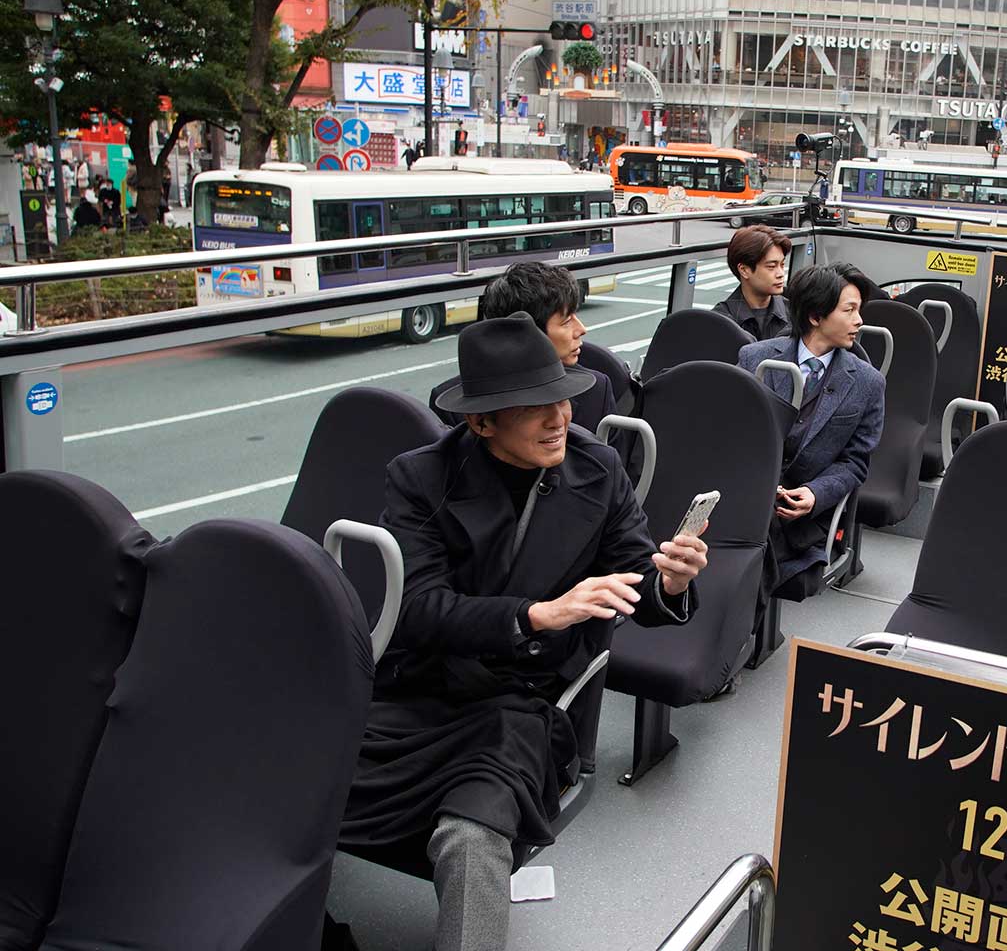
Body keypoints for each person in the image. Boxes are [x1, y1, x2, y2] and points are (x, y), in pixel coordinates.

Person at [340, 314, 706, 951]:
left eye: (562, 396)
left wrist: (670, 583)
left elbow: (633, 582)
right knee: (288, 767)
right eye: (534, 406)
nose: (559, 417)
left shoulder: (598, 470)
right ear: (480, 422)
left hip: (518, 704)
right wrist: (538, 613)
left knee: (471, 836)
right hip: (417, 691)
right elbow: (420, 608)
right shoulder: (420, 477)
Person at [738, 262, 885, 598]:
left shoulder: (867, 383)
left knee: (751, 547)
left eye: (858, 310)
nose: (859, 321)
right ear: (816, 317)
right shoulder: (753, 359)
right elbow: (732, 436)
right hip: (749, 492)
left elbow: (855, 462)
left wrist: (816, 493)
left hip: (802, 513)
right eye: (849, 310)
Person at [431, 262, 616, 432]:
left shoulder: (596, 390)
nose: (581, 329)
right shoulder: (452, 405)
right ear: (528, 332)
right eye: (566, 321)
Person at [712, 225, 792, 340]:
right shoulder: (720, 321)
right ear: (744, 270)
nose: (780, 273)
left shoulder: (795, 313)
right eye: (771, 266)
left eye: (782, 265)